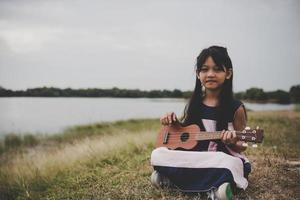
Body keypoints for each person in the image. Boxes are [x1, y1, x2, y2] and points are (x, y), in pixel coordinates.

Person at [150, 46, 251, 200]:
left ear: (228, 73)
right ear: (198, 74)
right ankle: (214, 187)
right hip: (197, 158)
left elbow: (243, 145)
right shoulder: (194, 104)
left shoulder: (236, 107)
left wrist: (232, 142)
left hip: (220, 159)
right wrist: (172, 120)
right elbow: (185, 132)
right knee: (158, 154)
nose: (210, 74)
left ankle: (173, 180)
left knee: (226, 163)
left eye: (217, 69)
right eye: (204, 70)